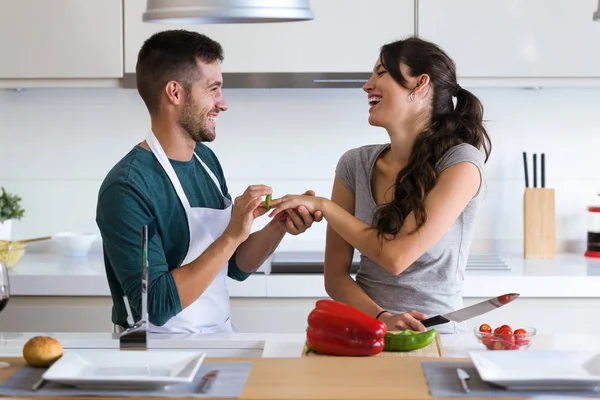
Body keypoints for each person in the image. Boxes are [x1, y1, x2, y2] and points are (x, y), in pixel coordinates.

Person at [96, 29, 322, 334]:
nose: (223, 103)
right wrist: (231, 234)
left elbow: (234, 266)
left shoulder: (206, 163)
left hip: (219, 340)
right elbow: (156, 305)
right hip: (153, 355)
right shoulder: (127, 188)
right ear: (174, 93)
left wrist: (278, 225)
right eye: (213, 89)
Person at [268, 37, 491, 334]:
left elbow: (396, 257)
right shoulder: (354, 164)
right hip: (364, 332)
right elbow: (335, 278)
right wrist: (380, 317)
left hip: (434, 336)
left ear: (419, 85)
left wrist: (325, 206)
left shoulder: (461, 162)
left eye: (381, 73)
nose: (367, 85)